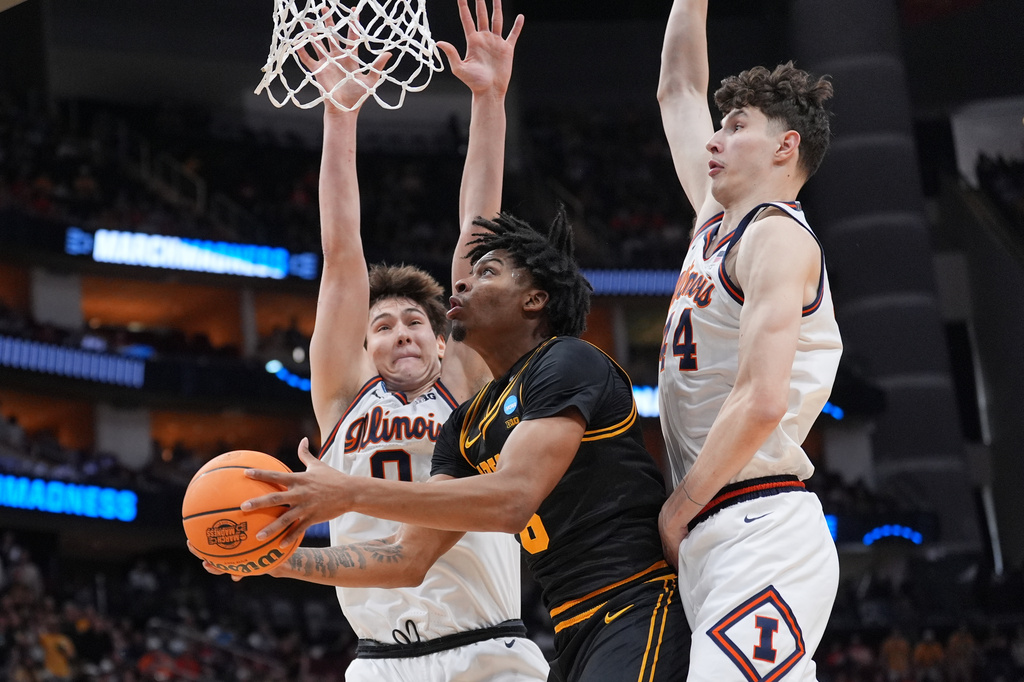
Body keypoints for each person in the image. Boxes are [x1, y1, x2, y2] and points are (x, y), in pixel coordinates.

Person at [191, 2, 548, 679]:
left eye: (417, 322)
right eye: (382, 326)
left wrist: (490, 101)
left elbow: (480, 230)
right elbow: (340, 254)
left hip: (485, 651)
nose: (402, 332)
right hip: (380, 662)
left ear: (446, 343)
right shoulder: (341, 396)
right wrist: (339, 113)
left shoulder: (465, 383)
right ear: (365, 348)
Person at [655, 0, 843, 679]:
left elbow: (762, 399)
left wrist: (678, 508)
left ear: (785, 147)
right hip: (719, 532)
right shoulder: (717, 221)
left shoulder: (776, 236)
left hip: (756, 522)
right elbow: (676, 88)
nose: (714, 137)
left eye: (735, 127)